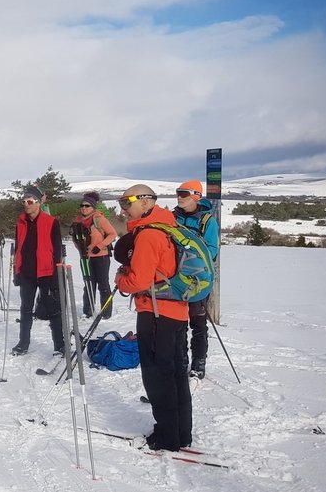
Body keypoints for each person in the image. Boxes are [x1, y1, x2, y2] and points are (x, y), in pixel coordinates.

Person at [115, 184, 192, 451]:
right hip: (177, 312)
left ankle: (166, 437)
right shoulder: (170, 226)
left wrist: (120, 278)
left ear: (146, 202)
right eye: (121, 203)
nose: (123, 209)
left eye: (127, 203)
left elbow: (137, 281)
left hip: (156, 313)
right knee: (177, 374)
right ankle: (182, 433)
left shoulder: (149, 235)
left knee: (158, 376)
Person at [173, 180, 219, 379]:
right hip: (176, 277)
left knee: (198, 322)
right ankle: (181, 360)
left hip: (198, 279)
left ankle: (198, 363)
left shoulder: (207, 220)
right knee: (178, 323)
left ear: (195, 196)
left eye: (183, 193)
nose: (179, 197)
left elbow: (212, 250)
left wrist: (189, 254)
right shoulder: (173, 217)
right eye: (178, 193)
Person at [11, 186, 64, 356]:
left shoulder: (51, 222)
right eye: (24, 201)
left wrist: (56, 276)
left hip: (46, 272)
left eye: (30, 201)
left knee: (53, 309)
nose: (26, 204)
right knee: (25, 309)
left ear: (38, 203)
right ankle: (23, 343)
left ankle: (59, 345)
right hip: (26, 273)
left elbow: (57, 251)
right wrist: (16, 271)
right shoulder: (20, 222)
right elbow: (18, 248)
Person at [71, 192, 118, 319]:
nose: (84, 208)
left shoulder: (99, 219)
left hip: (101, 256)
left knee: (103, 284)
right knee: (88, 284)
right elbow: (76, 238)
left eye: (87, 206)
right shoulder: (78, 220)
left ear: (93, 207)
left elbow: (112, 234)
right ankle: (88, 311)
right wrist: (81, 250)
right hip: (86, 257)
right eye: (82, 205)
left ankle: (106, 313)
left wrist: (100, 246)